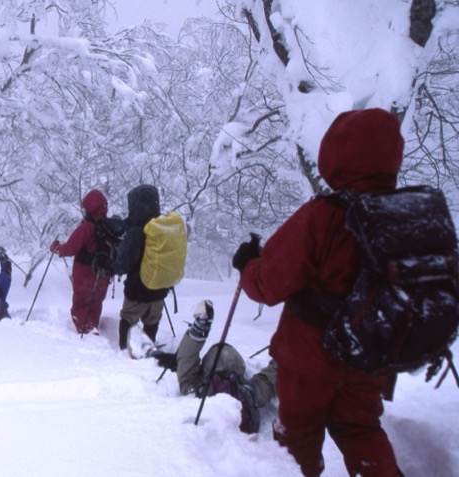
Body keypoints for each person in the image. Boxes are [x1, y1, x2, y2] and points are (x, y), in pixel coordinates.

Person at [232, 108, 404, 477]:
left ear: (335, 154)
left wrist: (247, 265)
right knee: (361, 431)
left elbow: (268, 283)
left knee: (297, 441)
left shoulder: (323, 216)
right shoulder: (404, 216)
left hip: (309, 360)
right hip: (370, 358)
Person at [153, 299, 277, 434]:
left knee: (186, 377)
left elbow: (186, 359)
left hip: (211, 438)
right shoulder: (249, 392)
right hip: (239, 441)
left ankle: (198, 331)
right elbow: (270, 378)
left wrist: (197, 332)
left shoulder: (200, 390)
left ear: (206, 369)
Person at [111, 184, 169, 350]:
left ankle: (125, 350)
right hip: (159, 290)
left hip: (138, 290)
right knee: (152, 320)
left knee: (129, 318)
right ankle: (148, 346)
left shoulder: (136, 233)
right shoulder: (162, 228)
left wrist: (110, 264)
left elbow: (122, 265)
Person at [49, 189, 111, 335]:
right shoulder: (108, 227)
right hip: (103, 275)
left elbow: (69, 248)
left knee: (80, 306)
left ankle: (89, 334)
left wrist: (57, 248)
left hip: (85, 275)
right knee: (95, 303)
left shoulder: (85, 228)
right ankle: (93, 326)